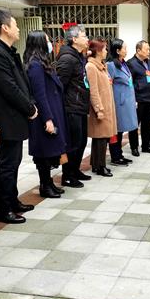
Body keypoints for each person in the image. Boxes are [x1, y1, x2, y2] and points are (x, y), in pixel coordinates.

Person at [0, 10, 38, 224]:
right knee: (7, 164)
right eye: (14, 24)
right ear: (4, 28)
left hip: (14, 117)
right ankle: (3, 209)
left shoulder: (7, 51)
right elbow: (10, 88)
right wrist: (29, 108)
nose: (17, 28)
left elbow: (19, 82)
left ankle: (13, 201)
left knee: (14, 162)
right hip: (7, 118)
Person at [23, 31, 69, 198]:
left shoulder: (41, 63)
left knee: (49, 150)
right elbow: (40, 94)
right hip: (43, 115)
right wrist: (48, 119)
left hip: (50, 111)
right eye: (48, 40)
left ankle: (48, 183)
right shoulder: (35, 65)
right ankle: (45, 185)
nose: (50, 43)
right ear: (40, 43)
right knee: (43, 153)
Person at [56, 25, 91, 188]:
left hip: (80, 106)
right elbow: (59, 85)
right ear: (74, 39)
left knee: (82, 141)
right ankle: (67, 175)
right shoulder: (67, 59)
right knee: (73, 143)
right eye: (84, 36)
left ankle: (75, 170)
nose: (87, 39)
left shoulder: (78, 57)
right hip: (71, 108)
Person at [86, 39, 117, 177]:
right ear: (98, 51)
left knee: (102, 138)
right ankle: (100, 166)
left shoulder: (101, 66)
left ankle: (96, 164)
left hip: (107, 107)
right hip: (100, 109)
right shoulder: (91, 67)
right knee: (100, 138)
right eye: (104, 49)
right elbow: (93, 90)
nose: (106, 52)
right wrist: (98, 109)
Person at [108, 39, 138, 166]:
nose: (126, 50)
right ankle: (115, 156)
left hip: (127, 102)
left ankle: (119, 154)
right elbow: (109, 85)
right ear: (118, 51)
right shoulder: (111, 65)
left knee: (123, 129)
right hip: (118, 102)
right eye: (124, 48)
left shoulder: (123, 63)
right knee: (117, 130)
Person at [126, 40, 150, 155]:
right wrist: (133, 99)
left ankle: (146, 146)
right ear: (138, 50)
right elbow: (129, 84)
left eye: (149, 49)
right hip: (138, 100)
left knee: (147, 124)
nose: (149, 51)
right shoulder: (131, 63)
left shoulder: (149, 63)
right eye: (147, 49)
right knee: (134, 125)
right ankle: (134, 147)